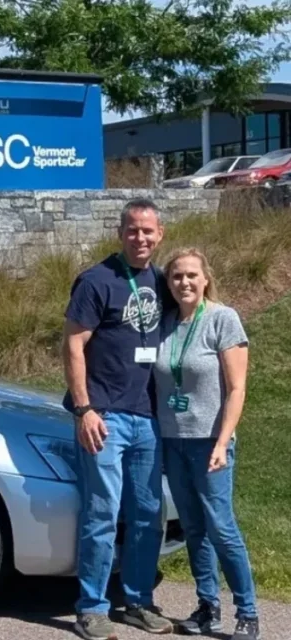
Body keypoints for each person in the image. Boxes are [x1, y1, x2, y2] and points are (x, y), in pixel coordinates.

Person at [62, 198, 175, 640]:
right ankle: (92, 607)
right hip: (104, 416)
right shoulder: (96, 281)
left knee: (148, 513)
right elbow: (73, 345)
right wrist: (84, 408)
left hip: (147, 418)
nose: (140, 238)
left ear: (160, 233)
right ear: (120, 232)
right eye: (132, 230)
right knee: (102, 513)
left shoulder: (163, 282)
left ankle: (138, 601)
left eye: (148, 231)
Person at [153, 248, 260, 640]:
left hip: (209, 443)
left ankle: (247, 612)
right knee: (194, 528)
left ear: (205, 278)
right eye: (177, 276)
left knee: (221, 527)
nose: (184, 282)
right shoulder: (164, 324)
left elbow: (236, 389)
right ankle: (207, 606)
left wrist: (221, 440)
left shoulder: (222, 319)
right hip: (173, 441)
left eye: (191, 275)